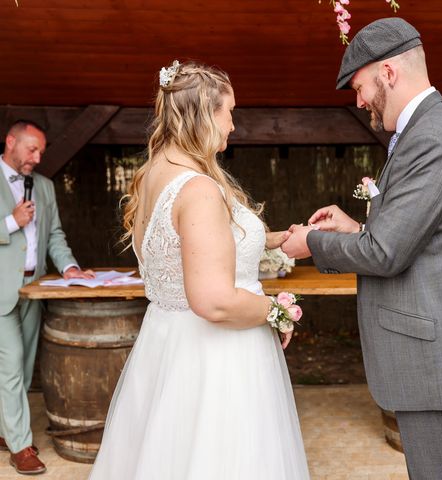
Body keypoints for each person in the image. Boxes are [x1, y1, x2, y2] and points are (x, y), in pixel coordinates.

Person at [282, 18, 442, 480]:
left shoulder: (433, 138)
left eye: (360, 87)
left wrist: (313, 244)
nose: (359, 100)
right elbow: (416, 233)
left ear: (387, 72)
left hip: (440, 361)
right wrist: (353, 227)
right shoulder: (428, 129)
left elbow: (386, 254)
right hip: (441, 353)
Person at [88, 61, 309, 480]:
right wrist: (276, 310)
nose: (233, 125)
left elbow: (193, 250)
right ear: (205, 114)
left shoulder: (154, 175)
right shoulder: (199, 189)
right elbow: (214, 301)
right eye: (230, 112)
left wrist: (273, 239)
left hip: (169, 347)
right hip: (216, 360)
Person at [0, 120, 94, 475]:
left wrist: (69, 267)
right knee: (10, 368)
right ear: (10, 142)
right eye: (31, 149)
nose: (37, 158)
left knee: (23, 370)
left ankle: (6, 430)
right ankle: (21, 447)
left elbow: (54, 234)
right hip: (0, 290)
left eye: (40, 151)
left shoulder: (45, 187)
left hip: (34, 289)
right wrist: (10, 222)